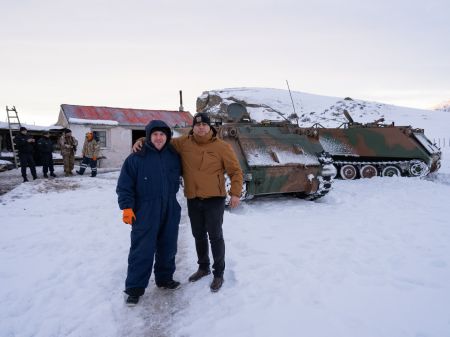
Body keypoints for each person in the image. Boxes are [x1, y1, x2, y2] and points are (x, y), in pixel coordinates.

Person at [133, 112, 243, 292]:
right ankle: (203, 267)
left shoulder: (222, 147)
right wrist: (141, 141)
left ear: (210, 127)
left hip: (214, 199)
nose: (201, 127)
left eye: (204, 125)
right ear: (193, 127)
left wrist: (236, 193)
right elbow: (161, 141)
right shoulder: (183, 143)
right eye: (197, 125)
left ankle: (218, 273)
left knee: (215, 236)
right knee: (198, 235)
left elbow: (235, 171)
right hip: (193, 198)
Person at [117, 120, 182, 307]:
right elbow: (124, 186)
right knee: (142, 249)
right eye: (155, 134)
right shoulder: (136, 158)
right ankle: (134, 289)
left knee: (168, 246)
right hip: (145, 209)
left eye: (162, 134)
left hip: (170, 205)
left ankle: (164, 279)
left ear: (167, 137)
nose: (159, 138)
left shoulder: (173, 155)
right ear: (148, 137)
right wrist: (127, 208)